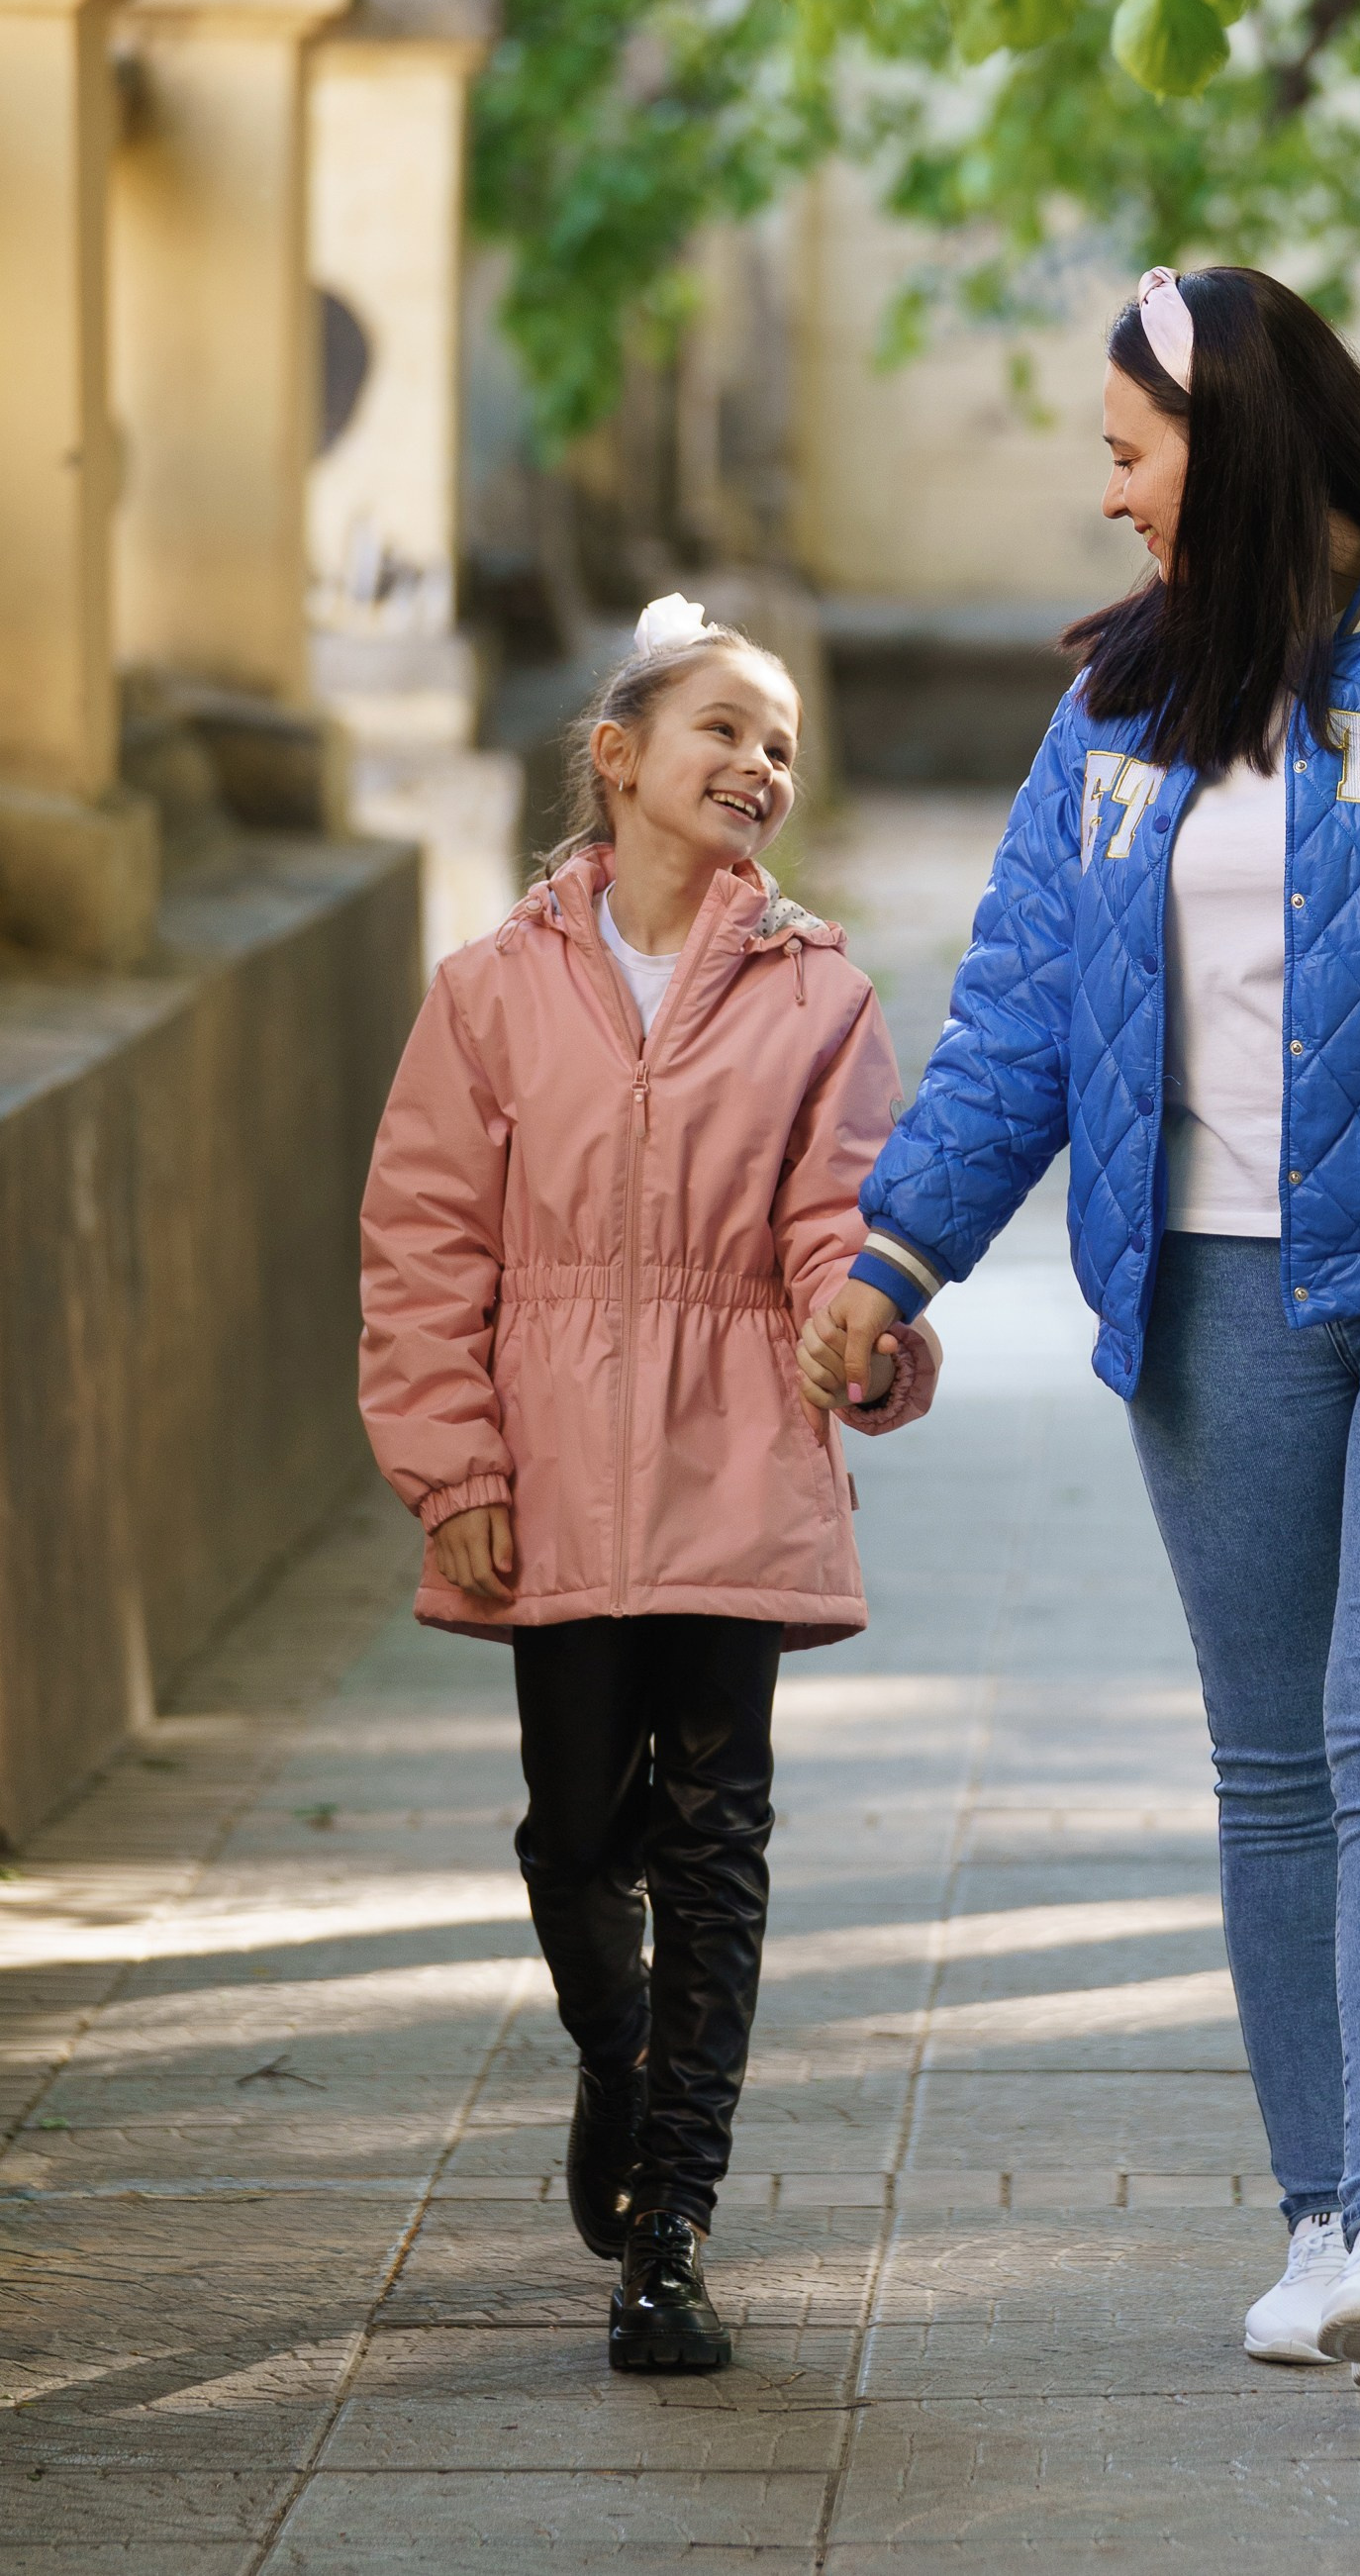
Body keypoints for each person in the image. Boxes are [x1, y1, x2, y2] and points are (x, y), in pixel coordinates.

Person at [800, 267, 1360, 2397]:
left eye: (1128, 449)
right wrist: (896, 1260)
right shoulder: (1119, 707)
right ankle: (1321, 2222)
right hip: (1204, 1297)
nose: (1107, 496)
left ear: (1240, 441)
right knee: (1274, 1767)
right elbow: (1013, 1009)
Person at [360, 595, 937, 2376]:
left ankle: (669, 2229)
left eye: (780, 743)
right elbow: (421, 1243)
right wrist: (450, 1458)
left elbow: (844, 1216)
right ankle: (618, 2061)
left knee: (715, 1842)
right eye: (722, 731)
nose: (759, 764)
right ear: (616, 758)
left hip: (734, 1455)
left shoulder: (818, 993)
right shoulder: (489, 990)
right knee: (573, 1831)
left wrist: (871, 1330)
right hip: (547, 1468)